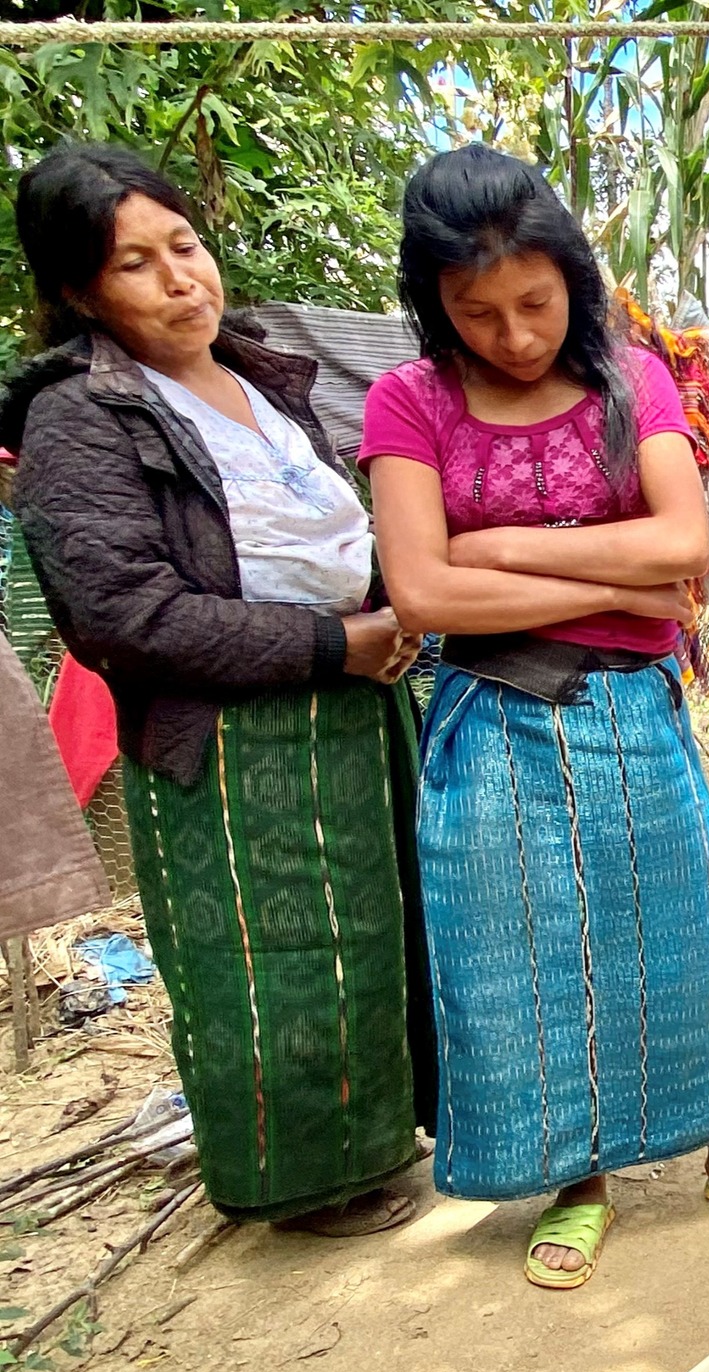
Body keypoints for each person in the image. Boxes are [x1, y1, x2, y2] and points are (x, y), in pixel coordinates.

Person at [361, 145, 709, 1288]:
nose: (512, 334)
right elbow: (424, 594)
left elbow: (684, 543)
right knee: (521, 952)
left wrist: (495, 546)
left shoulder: (630, 379)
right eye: (475, 311)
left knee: (680, 929)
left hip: (634, 705)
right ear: (432, 300)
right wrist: (614, 582)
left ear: (572, 278)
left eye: (534, 302)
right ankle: (578, 1174)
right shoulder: (409, 401)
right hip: (492, 715)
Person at [0, 144, 429, 1235]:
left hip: (351, 710)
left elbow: (333, 529)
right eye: (135, 263)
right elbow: (125, 618)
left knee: (370, 939)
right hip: (230, 742)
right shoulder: (79, 415)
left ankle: (381, 1141)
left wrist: (394, 609)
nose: (180, 277)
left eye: (184, 245)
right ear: (76, 290)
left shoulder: (261, 379)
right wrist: (337, 641)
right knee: (272, 960)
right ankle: (300, 1182)